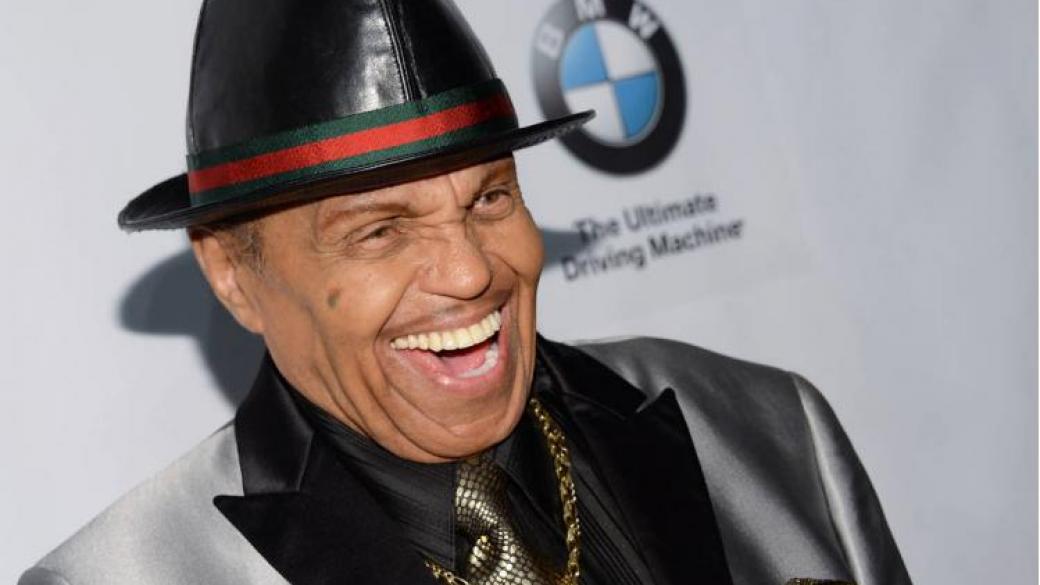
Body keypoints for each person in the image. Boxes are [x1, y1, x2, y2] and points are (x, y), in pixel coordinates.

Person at [19, 1, 911, 584]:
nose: (470, 271)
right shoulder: (121, 573)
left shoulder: (772, 428)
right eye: (380, 230)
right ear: (232, 272)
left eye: (489, 198)